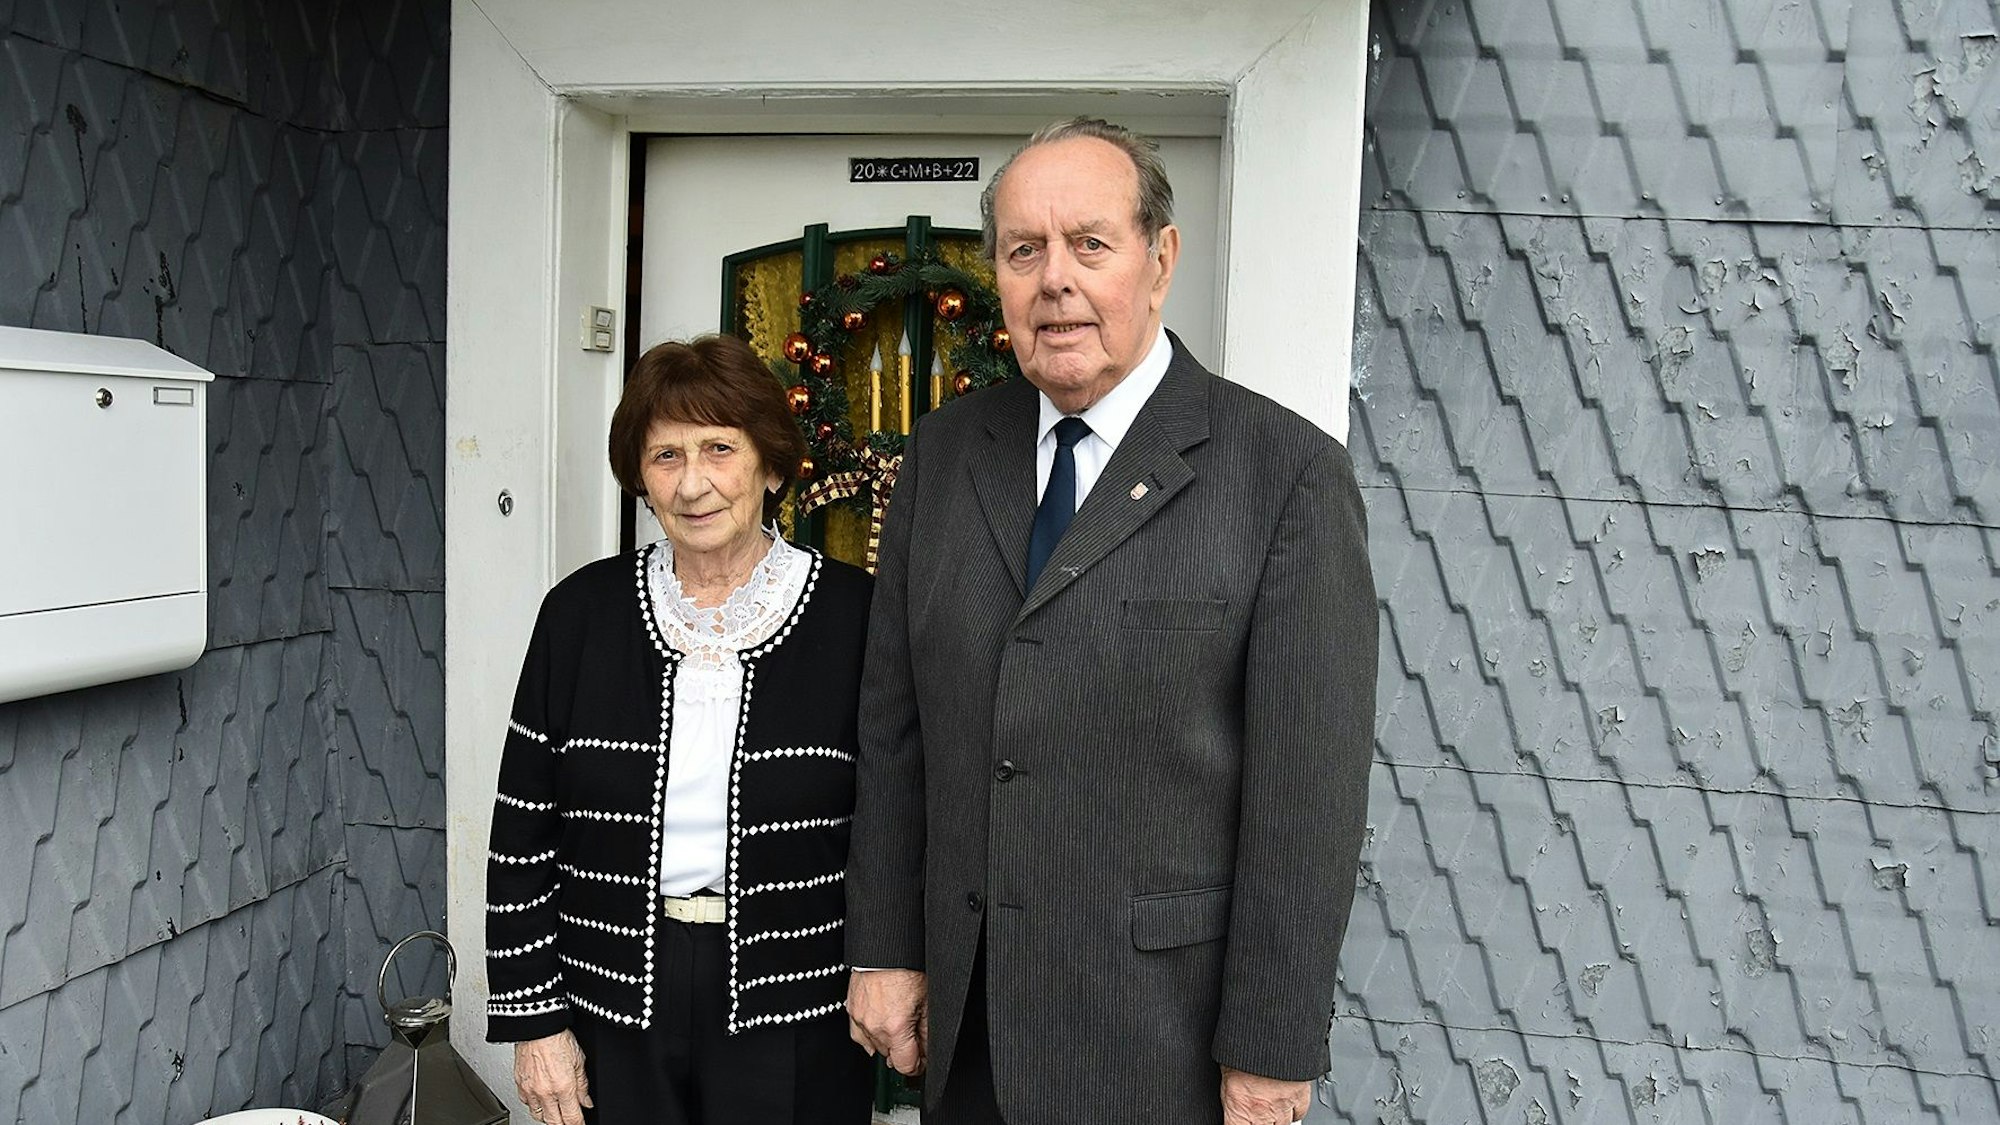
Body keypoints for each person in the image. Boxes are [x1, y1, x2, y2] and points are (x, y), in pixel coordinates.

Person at [844, 117, 1378, 1125]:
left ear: (1159, 259)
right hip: (970, 1038)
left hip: (1164, 1045)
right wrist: (885, 945)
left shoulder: (1285, 480)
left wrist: (1270, 1045)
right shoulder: (944, 458)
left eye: (1090, 243)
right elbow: (894, 726)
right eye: (1023, 250)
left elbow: (1305, 805)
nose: (1055, 280)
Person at [484, 334, 874, 1125]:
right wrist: (535, 1020)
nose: (693, 483)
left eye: (720, 449)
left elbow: (899, 822)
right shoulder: (580, 615)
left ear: (770, 464)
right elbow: (521, 835)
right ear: (640, 476)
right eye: (666, 456)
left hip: (798, 1003)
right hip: (613, 1001)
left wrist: (896, 970)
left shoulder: (854, 616)